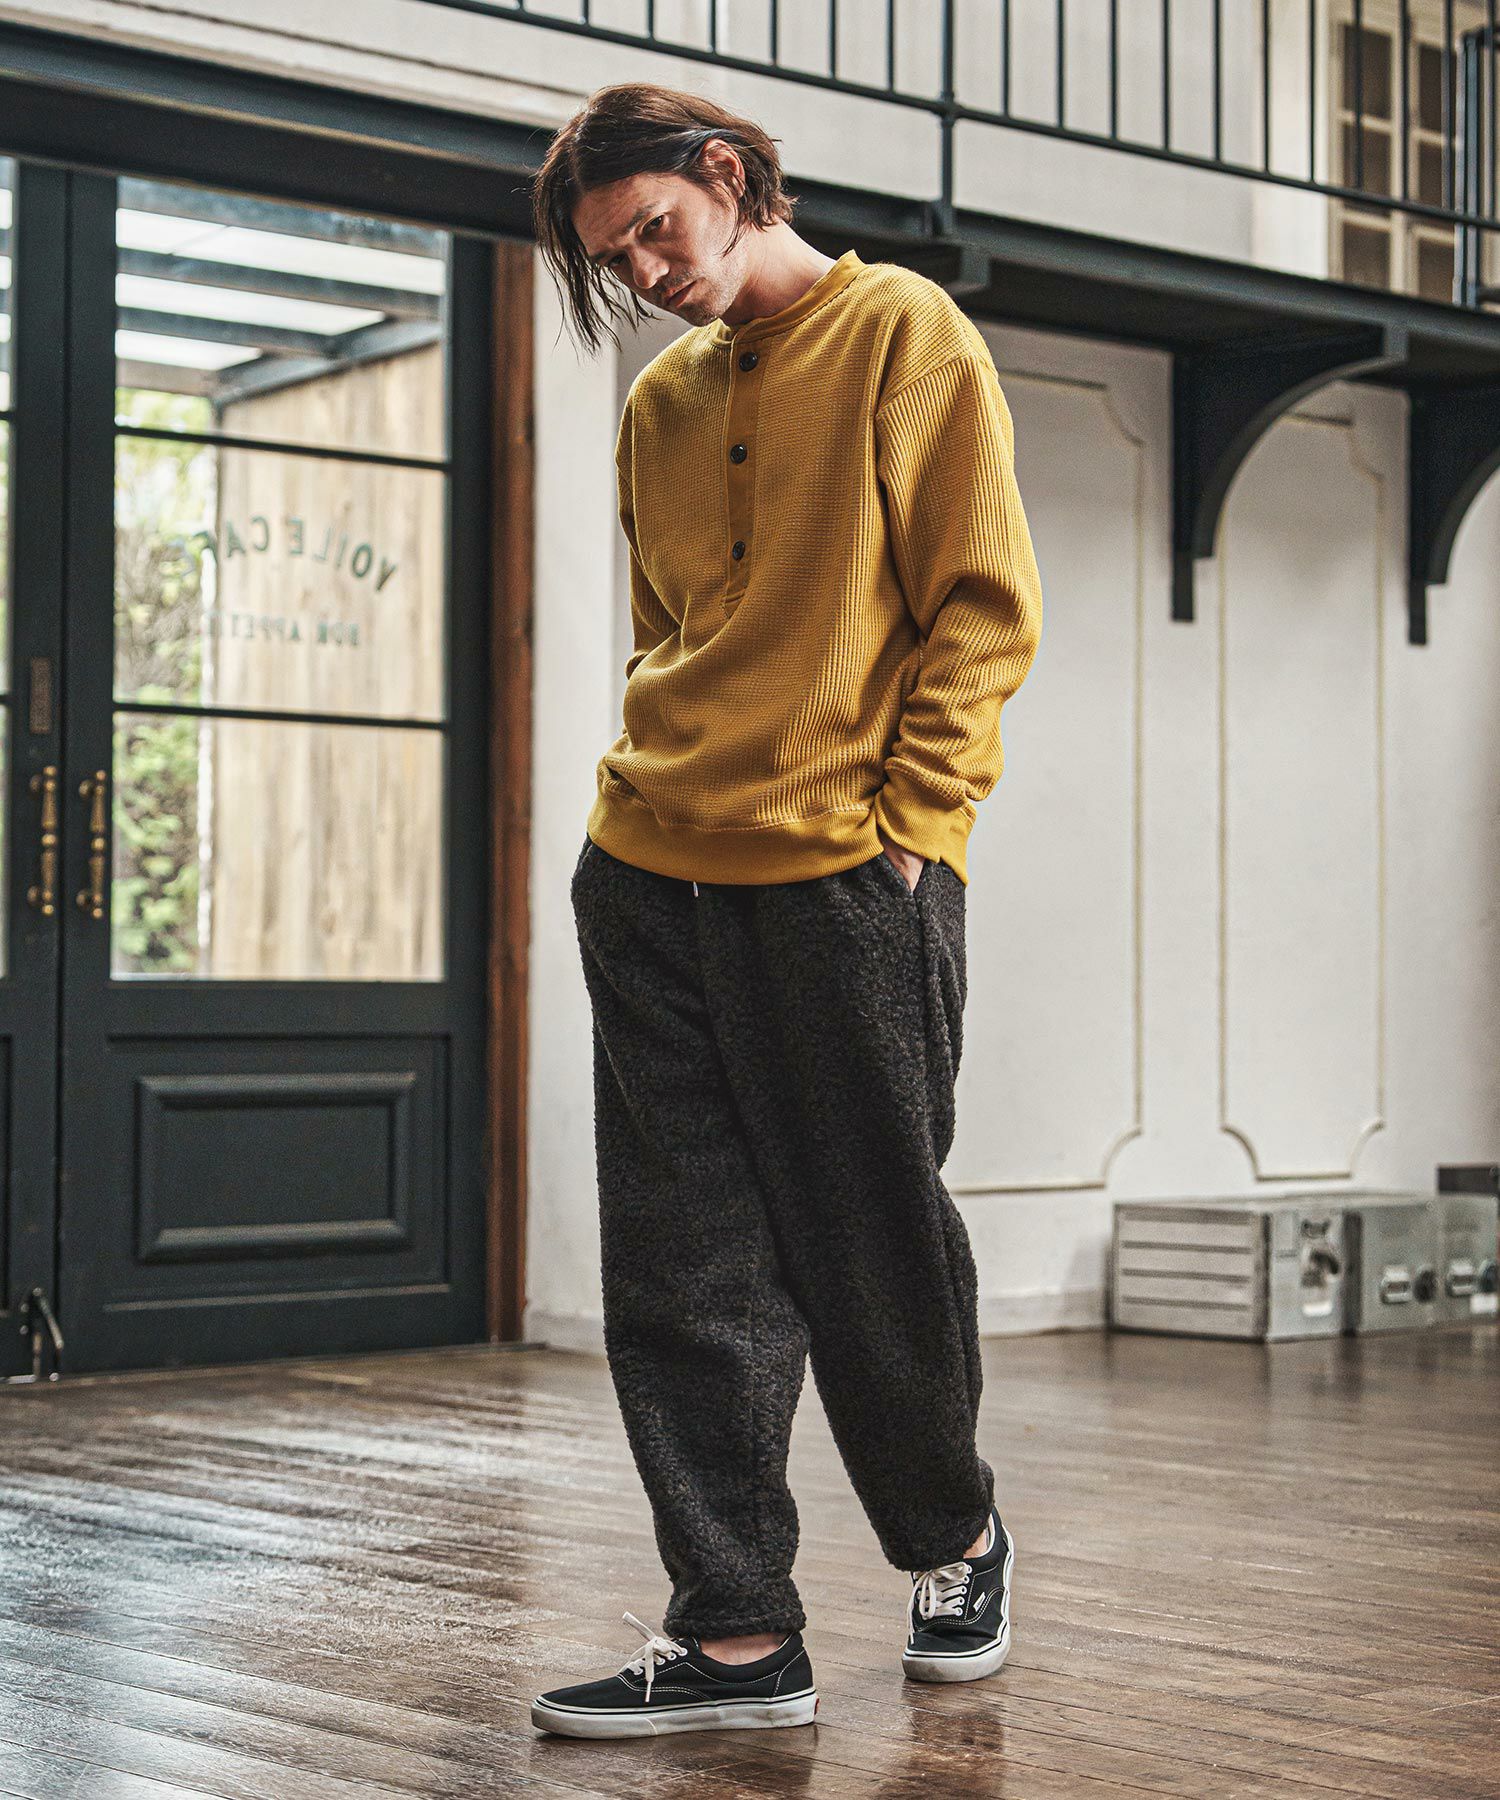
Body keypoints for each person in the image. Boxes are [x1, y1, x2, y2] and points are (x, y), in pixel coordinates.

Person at [527, 81, 1044, 1740]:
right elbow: (667, 628)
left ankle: (954, 1540)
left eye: (653, 232)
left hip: (842, 879)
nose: (644, 274)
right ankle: (738, 1633)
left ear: (730, 174)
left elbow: (980, 608)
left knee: (872, 1248)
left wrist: (914, 833)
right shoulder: (663, 403)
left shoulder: (904, 335)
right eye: (613, 262)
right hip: (649, 871)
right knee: (680, 1270)